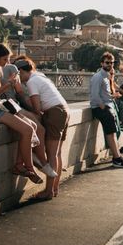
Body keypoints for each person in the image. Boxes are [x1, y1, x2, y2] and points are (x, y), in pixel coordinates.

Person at [0, 43, 44, 183]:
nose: (7, 63)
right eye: (4, 59)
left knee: (32, 126)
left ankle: (19, 165)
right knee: (27, 129)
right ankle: (28, 168)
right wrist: (8, 84)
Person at [16, 58, 70, 200]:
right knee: (57, 154)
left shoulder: (32, 81)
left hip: (54, 113)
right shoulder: (40, 76)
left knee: (51, 154)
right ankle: (54, 188)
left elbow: (36, 109)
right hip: (64, 110)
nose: (18, 78)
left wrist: (20, 94)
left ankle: (48, 191)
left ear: (21, 71)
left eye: (18, 75)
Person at [90, 52, 123, 168]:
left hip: (108, 107)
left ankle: (117, 157)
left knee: (114, 132)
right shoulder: (98, 77)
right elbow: (94, 96)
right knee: (112, 133)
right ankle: (117, 159)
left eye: (112, 62)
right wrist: (104, 107)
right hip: (101, 108)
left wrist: (113, 96)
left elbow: (105, 93)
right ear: (102, 63)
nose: (110, 65)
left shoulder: (107, 76)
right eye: (107, 62)